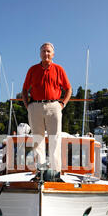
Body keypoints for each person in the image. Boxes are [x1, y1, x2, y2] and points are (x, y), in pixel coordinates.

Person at [22, 42, 72, 172]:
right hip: (35, 107)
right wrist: (28, 106)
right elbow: (24, 89)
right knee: (38, 139)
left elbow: (68, 89)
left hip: (54, 106)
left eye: (48, 51)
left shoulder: (59, 69)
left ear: (53, 54)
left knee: (55, 139)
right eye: (44, 51)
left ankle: (56, 172)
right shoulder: (32, 70)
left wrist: (62, 104)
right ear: (40, 54)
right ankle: (41, 171)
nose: (46, 54)